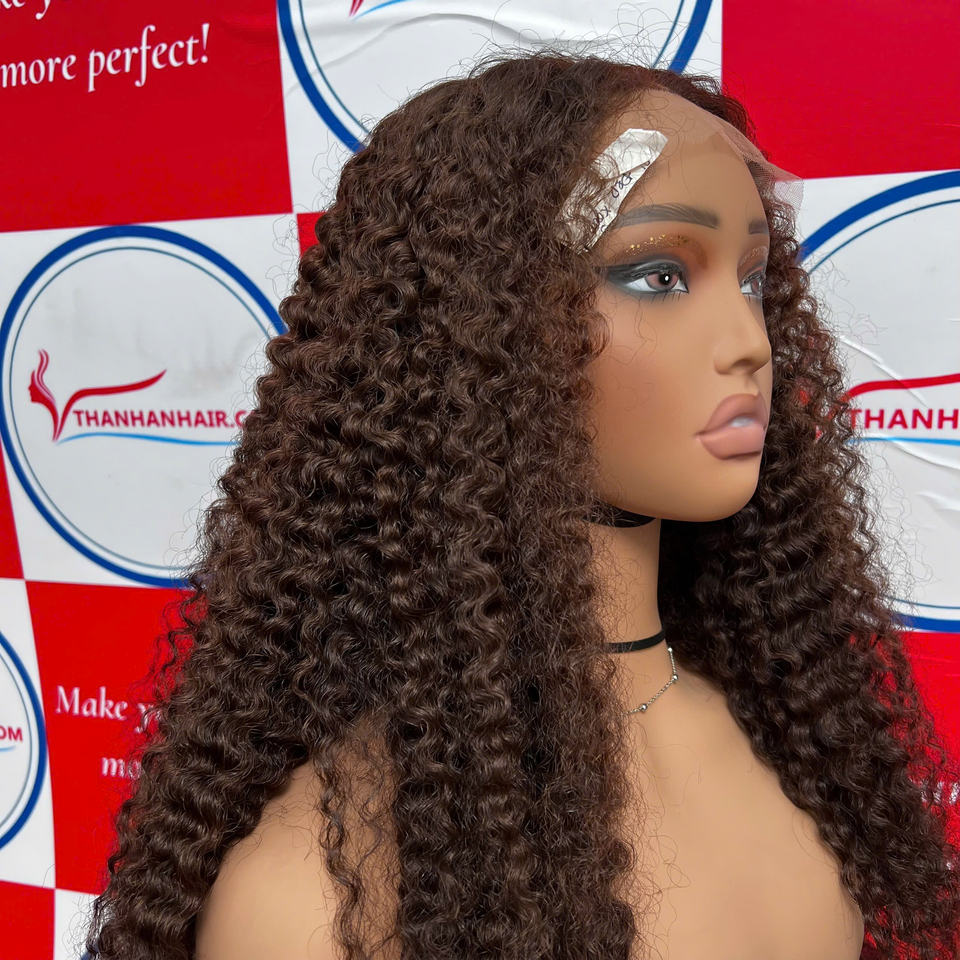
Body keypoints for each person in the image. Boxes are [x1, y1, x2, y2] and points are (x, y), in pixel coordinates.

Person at [83, 50, 960, 960]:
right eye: (658, 275)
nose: (749, 341)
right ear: (482, 329)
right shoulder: (322, 896)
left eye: (750, 277)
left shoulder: (800, 744)